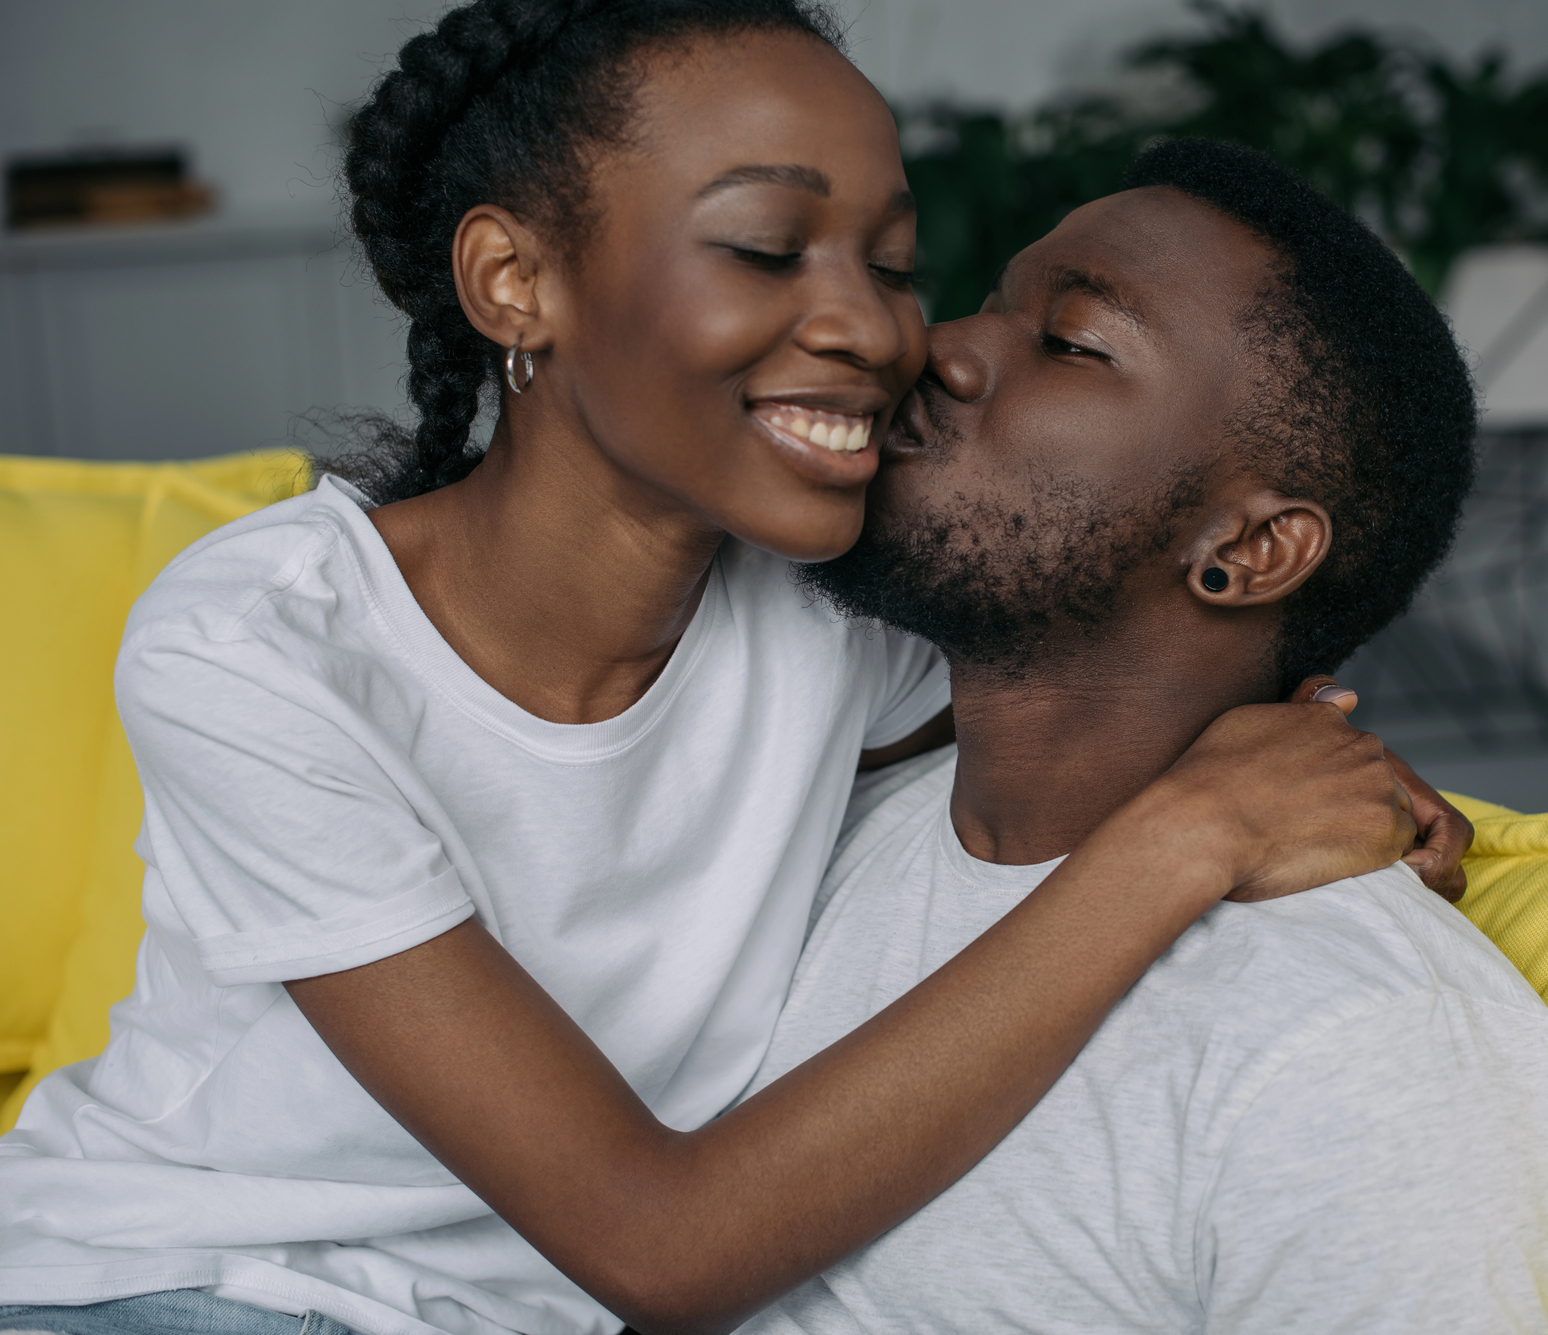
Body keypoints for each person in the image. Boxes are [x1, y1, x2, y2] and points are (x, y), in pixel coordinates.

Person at [0, 9, 1473, 1335]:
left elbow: (1108, 653)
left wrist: (1324, 762)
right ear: (517, 281)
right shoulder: (265, 647)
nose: (883, 330)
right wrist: (1193, 829)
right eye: (769, 247)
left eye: (892, 264)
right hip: (187, 1283)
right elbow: (665, 1246)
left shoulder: (833, 624)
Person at [743, 138, 1548, 1334]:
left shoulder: (1357, 1047)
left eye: (1072, 343)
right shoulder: (803, 820)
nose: (941, 349)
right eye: (988, 304)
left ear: (1244, 552)